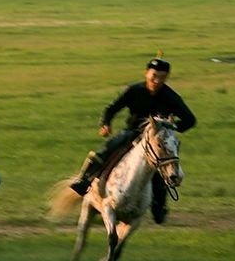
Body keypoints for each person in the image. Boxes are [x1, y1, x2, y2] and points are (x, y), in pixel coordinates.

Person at [68, 57, 197, 223]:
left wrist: (169, 128)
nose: (157, 80)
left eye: (162, 77)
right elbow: (112, 108)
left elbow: (190, 119)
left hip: (154, 139)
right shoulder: (134, 90)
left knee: (160, 169)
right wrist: (106, 123)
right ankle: (84, 180)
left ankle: (159, 207)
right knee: (109, 147)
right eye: (154, 75)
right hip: (133, 132)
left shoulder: (170, 96)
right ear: (146, 73)